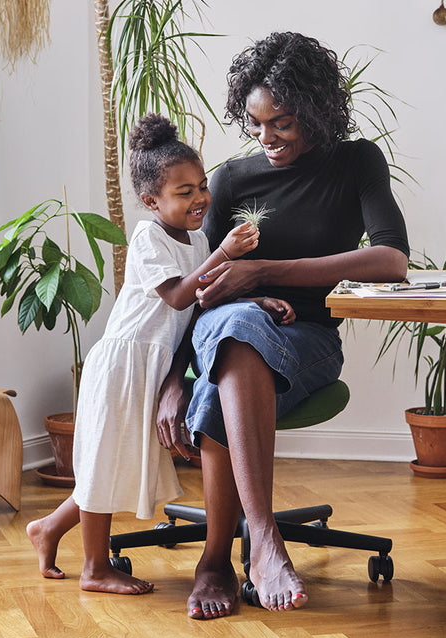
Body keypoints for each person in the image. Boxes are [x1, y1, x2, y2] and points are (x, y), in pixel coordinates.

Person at [155, 32, 410, 618]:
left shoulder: (356, 163)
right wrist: (173, 377)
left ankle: (218, 559)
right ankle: (263, 543)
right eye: (254, 124)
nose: (266, 139)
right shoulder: (230, 180)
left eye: (283, 124)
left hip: (309, 341)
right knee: (236, 328)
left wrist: (266, 270)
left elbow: (392, 260)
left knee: (235, 340)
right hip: (222, 335)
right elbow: (199, 288)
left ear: (317, 114)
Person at [26, 113, 294, 594]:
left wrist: (253, 298)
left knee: (116, 460)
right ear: (152, 201)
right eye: (184, 192)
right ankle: (93, 568)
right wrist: (226, 255)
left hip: (154, 365)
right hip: (124, 363)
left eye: (202, 186)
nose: (200, 199)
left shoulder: (199, 240)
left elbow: (206, 297)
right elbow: (177, 295)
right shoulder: (148, 237)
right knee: (104, 464)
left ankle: (48, 528)